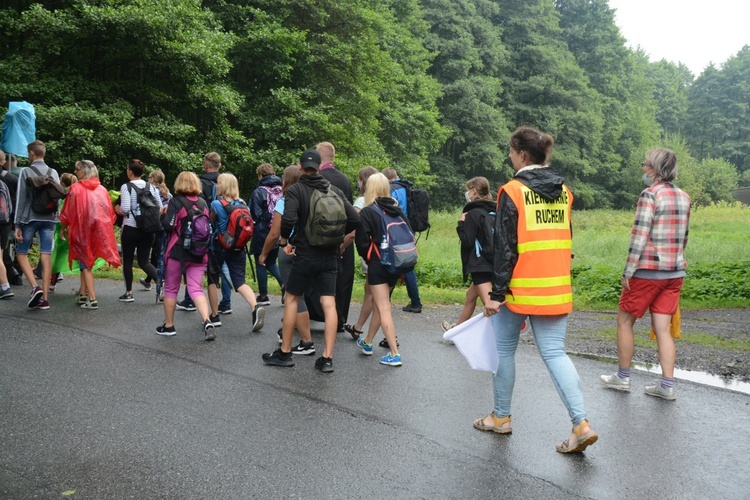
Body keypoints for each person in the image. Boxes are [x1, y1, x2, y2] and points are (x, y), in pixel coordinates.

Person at [481, 126, 598, 454]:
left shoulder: (512, 190)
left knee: (503, 350)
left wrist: (496, 294)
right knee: (555, 354)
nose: (508, 155)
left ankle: (501, 417)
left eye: (510, 150)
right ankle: (581, 423)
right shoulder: (565, 192)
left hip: (519, 289)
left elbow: (504, 246)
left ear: (521, 153)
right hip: (556, 287)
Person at [600, 149, 691, 401]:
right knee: (663, 329)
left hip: (648, 272)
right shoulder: (684, 196)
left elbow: (639, 236)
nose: (642, 169)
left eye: (645, 165)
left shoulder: (649, 194)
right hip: (675, 273)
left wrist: (628, 270)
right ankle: (667, 385)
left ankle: (623, 376)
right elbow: (684, 237)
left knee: (624, 321)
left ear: (654, 169)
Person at [262, 149, 359, 372]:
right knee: (329, 304)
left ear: (300, 166)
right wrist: (336, 238)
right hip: (330, 256)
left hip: (305, 254)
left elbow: (289, 219)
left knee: (293, 299)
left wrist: (286, 241)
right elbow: (355, 219)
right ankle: (327, 358)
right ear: (318, 165)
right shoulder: (333, 189)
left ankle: (285, 353)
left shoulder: (296, 190)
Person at [260, 165, 316, 354]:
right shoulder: (311, 198)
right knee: (300, 297)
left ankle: (306, 342)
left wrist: (264, 253)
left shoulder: (285, 202)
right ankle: (288, 331)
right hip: (310, 250)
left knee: (294, 297)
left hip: (289, 250)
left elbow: (274, 233)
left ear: (287, 181)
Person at [354, 172, 407, 366]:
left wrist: (370, 256)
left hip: (378, 264)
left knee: (383, 306)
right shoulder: (396, 209)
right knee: (379, 304)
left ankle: (394, 353)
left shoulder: (368, 211)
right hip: (396, 263)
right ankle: (368, 342)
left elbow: (361, 243)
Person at [157, 171, 215, 340]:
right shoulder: (203, 203)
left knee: (171, 288)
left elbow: (168, 226)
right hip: (199, 252)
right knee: (195, 288)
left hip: (177, 252)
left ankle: (169, 326)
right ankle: (207, 320)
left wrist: (162, 215)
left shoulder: (176, 202)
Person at [206, 173, 265, 332]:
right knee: (240, 281)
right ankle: (255, 307)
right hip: (238, 248)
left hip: (219, 246)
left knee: (212, 279)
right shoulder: (243, 204)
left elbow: (211, 220)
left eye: (218, 183)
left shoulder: (217, 204)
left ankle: (214, 315)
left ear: (223, 186)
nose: (217, 186)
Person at [59, 161, 121, 309]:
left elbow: (68, 212)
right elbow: (109, 214)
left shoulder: (74, 189)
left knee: (85, 263)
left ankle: (92, 298)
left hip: (81, 231)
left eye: (78, 169)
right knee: (85, 262)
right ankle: (82, 294)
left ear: (85, 171)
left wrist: (63, 227)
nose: (75, 172)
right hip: (97, 232)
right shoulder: (102, 190)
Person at [177, 152, 233, 313]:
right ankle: (226, 302)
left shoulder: (199, 183)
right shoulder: (226, 181)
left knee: (194, 263)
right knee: (222, 266)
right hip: (224, 231)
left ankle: (190, 299)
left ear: (206, 165)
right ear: (219, 165)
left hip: (201, 229)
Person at [441, 177, 497, 332]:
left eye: (468, 189)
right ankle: (456, 331)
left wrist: (461, 224)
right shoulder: (494, 210)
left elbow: (467, 241)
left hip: (480, 265)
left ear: (473, 191)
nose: (466, 193)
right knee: (470, 296)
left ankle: (499, 337)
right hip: (493, 261)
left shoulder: (473, 213)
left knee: (490, 304)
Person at [14, 140, 59, 310]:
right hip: (49, 219)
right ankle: (45, 298)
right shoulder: (53, 172)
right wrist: (56, 217)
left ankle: (35, 287)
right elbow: (57, 196)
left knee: (21, 253)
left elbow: (21, 199)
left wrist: (17, 224)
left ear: (31, 153)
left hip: (30, 219)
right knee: (45, 255)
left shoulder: (26, 171)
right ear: (44, 153)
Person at [316, 141, 356, 331]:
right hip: (345, 235)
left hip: (324, 237)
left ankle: (324, 315)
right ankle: (340, 318)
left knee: (324, 277)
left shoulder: (317, 178)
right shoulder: (345, 179)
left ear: (320, 157)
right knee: (344, 277)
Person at [115, 159, 162, 302]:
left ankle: (128, 293)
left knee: (128, 261)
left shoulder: (126, 186)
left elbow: (126, 208)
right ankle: (161, 282)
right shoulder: (152, 187)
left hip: (130, 227)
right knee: (144, 261)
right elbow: (159, 206)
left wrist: (118, 210)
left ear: (130, 171)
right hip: (148, 230)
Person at [343, 166, 379, 340]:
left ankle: (388, 337)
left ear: (364, 182)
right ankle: (358, 327)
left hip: (372, 252)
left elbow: (353, 230)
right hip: (388, 253)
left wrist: (341, 246)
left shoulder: (361, 202)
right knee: (373, 293)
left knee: (373, 294)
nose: (358, 183)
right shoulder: (388, 200)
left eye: (359, 180)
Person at [382, 167, 422, 313]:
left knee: (394, 263)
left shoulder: (391, 189)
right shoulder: (408, 187)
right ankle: (415, 301)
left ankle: (386, 299)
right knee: (407, 263)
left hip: (396, 230)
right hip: (410, 229)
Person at [249, 163, 283, 306]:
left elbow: (254, 214)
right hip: (279, 231)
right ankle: (285, 285)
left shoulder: (259, 191)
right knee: (271, 262)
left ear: (260, 175)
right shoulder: (282, 189)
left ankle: (263, 296)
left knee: (261, 262)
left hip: (262, 232)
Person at [139, 169, 171, 293]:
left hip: (153, 226)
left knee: (154, 255)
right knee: (159, 253)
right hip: (165, 227)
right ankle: (149, 280)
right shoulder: (168, 194)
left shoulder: (151, 192)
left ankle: (160, 281)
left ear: (152, 179)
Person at [0, 151, 22, 287]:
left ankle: (7, 281)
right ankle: (14, 273)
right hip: (8, 218)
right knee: (4, 248)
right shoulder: (12, 179)